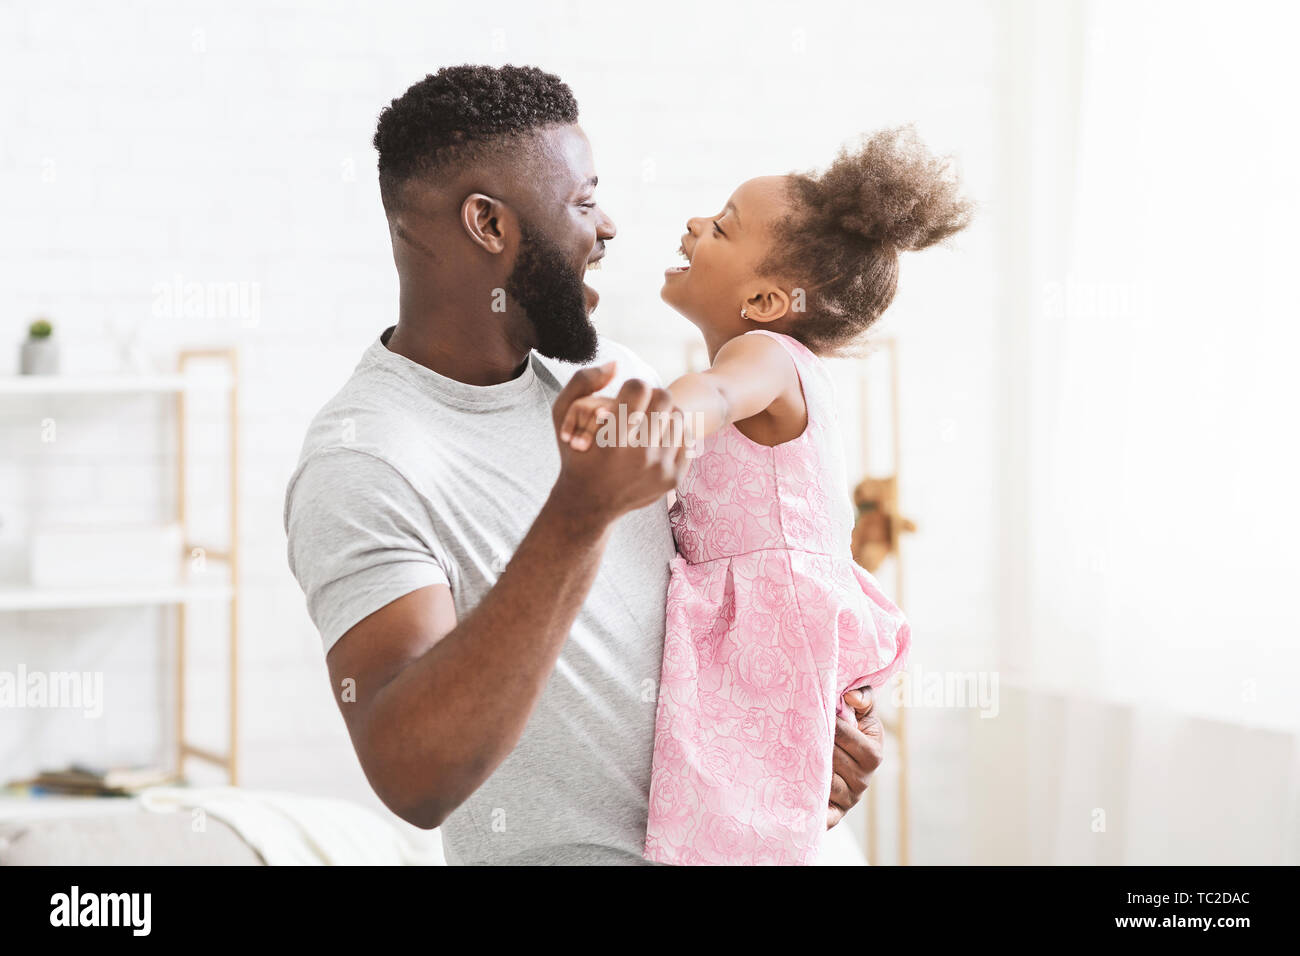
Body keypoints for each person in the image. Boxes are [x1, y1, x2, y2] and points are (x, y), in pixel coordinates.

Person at [283, 64, 883, 866]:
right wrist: (578, 516)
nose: (608, 229)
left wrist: (807, 726)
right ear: (489, 225)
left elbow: (732, 602)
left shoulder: (609, 374)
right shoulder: (367, 458)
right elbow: (412, 774)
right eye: (584, 200)